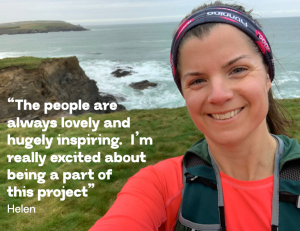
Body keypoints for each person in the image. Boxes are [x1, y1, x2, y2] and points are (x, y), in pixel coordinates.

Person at [89, 1, 300, 230]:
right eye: (197, 81)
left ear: (268, 75)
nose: (218, 95)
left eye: (237, 70)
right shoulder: (160, 186)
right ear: (183, 93)